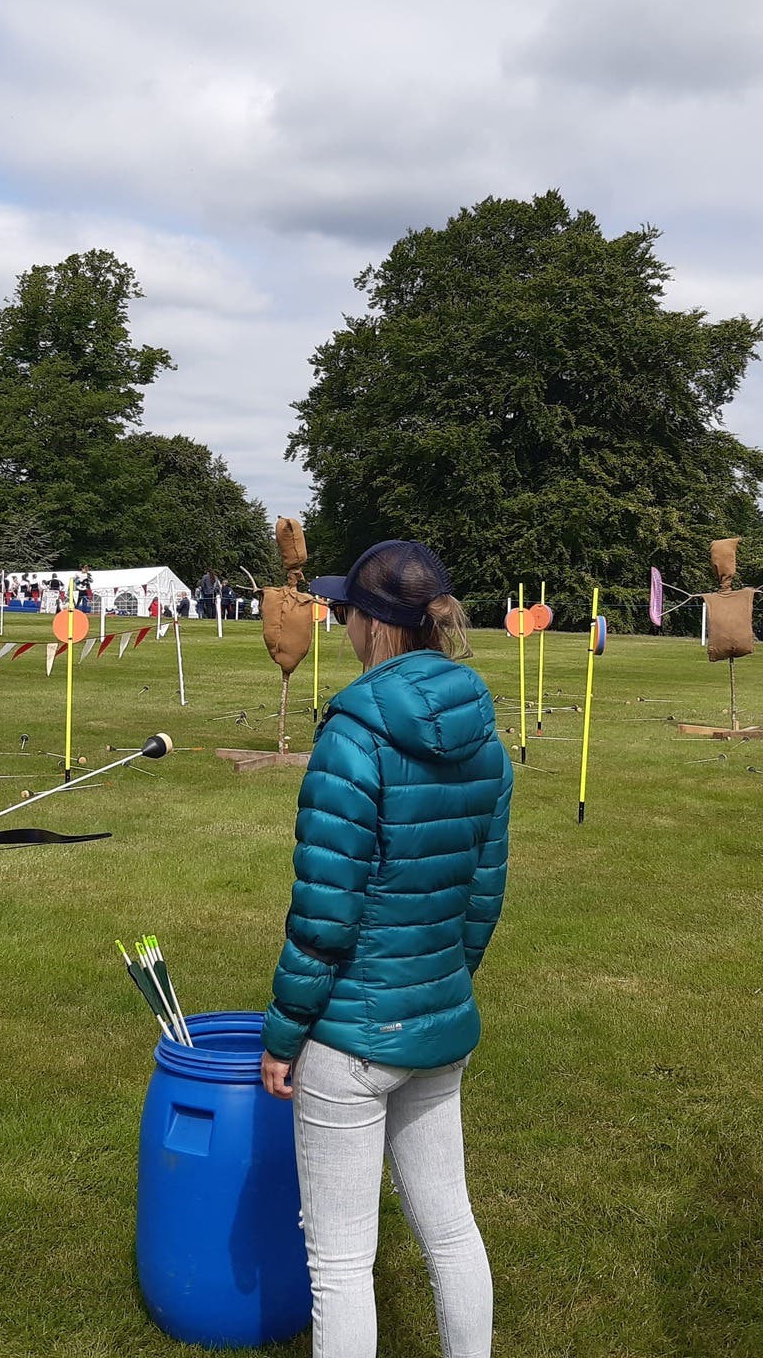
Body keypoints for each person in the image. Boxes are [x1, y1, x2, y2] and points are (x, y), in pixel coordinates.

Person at [260, 540, 509, 1358]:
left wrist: (284, 1033)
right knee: (451, 1233)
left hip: (351, 1036)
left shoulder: (351, 735)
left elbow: (325, 916)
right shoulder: (485, 733)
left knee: (339, 1261)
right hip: (434, 1019)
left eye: (348, 613)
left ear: (373, 625)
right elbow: (482, 897)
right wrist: (439, 981)